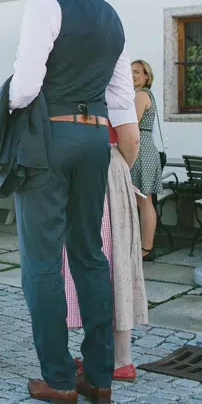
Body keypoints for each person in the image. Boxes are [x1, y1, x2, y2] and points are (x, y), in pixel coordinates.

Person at [9, 0, 134, 404]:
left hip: (50, 137)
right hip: (94, 141)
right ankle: (99, 376)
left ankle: (59, 378)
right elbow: (121, 100)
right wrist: (124, 160)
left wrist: (3, 109)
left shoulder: (45, 4)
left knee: (41, 259)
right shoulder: (113, 17)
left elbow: (24, 87)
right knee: (89, 254)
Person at [64, 114, 146, 380]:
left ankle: (117, 358)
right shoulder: (110, 82)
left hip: (102, 167)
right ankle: (117, 357)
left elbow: (131, 138)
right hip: (107, 165)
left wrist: (117, 166)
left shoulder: (108, 84)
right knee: (115, 258)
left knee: (101, 257)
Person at [130, 58, 162, 262]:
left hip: (140, 149)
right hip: (147, 148)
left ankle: (146, 247)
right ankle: (143, 246)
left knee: (143, 200)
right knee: (141, 200)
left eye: (137, 72)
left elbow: (132, 123)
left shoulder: (141, 95)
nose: (133, 75)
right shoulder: (142, 95)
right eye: (130, 71)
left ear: (146, 76)